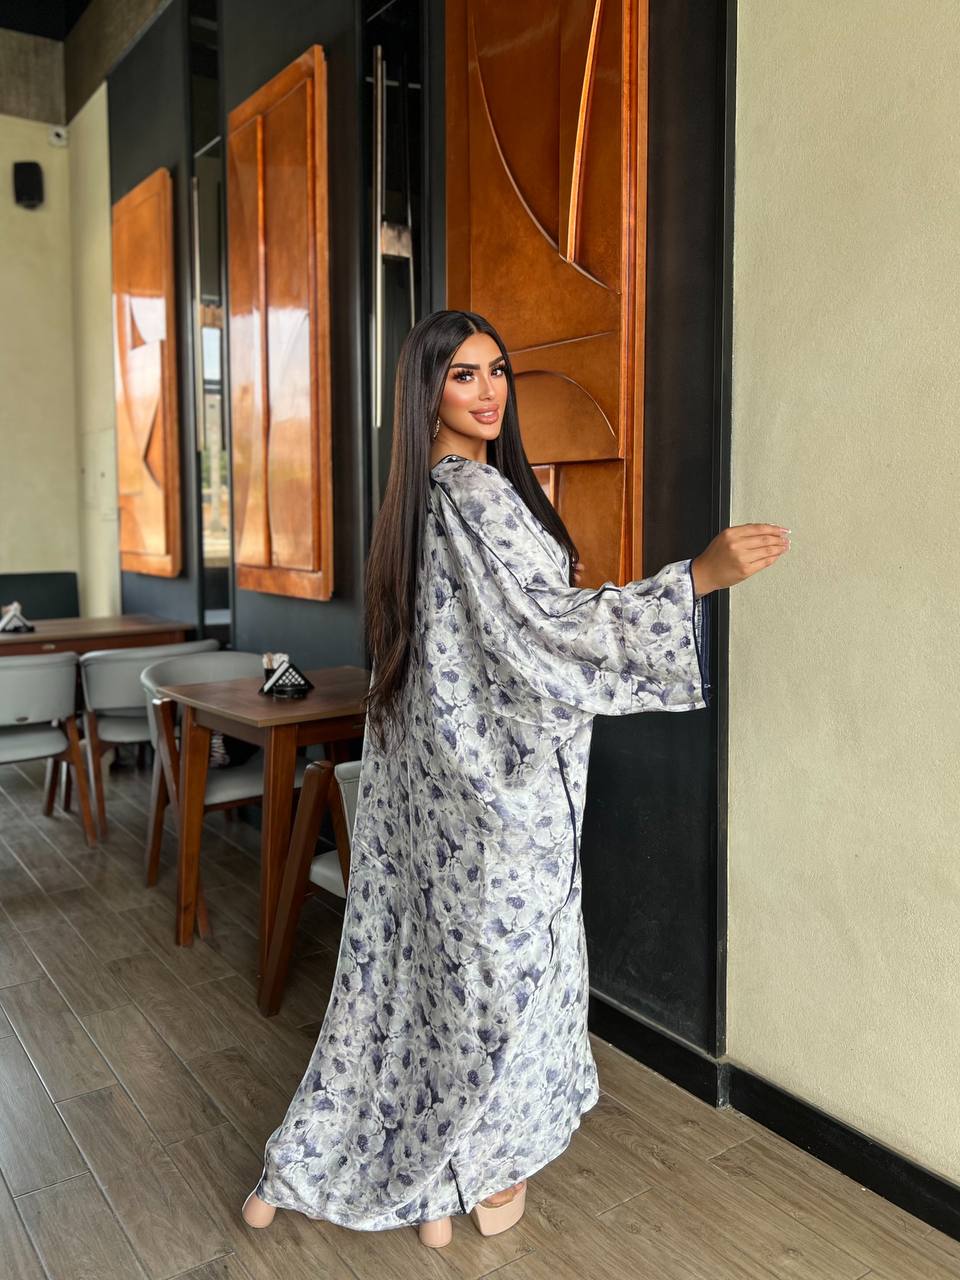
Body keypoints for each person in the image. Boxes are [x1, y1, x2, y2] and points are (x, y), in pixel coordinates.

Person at [240, 309, 789, 1248]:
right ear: (427, 391)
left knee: (423, 973)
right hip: (497, 797)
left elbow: (444, 653)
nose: (489, 391)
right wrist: (694, 578)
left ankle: (404, 1172)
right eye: (463, 375)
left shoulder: (417, 503)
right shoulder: (474, 496)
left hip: (436, 786)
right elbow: (547, 629)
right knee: (508, 979)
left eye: (498, 370)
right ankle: (478, 1168)